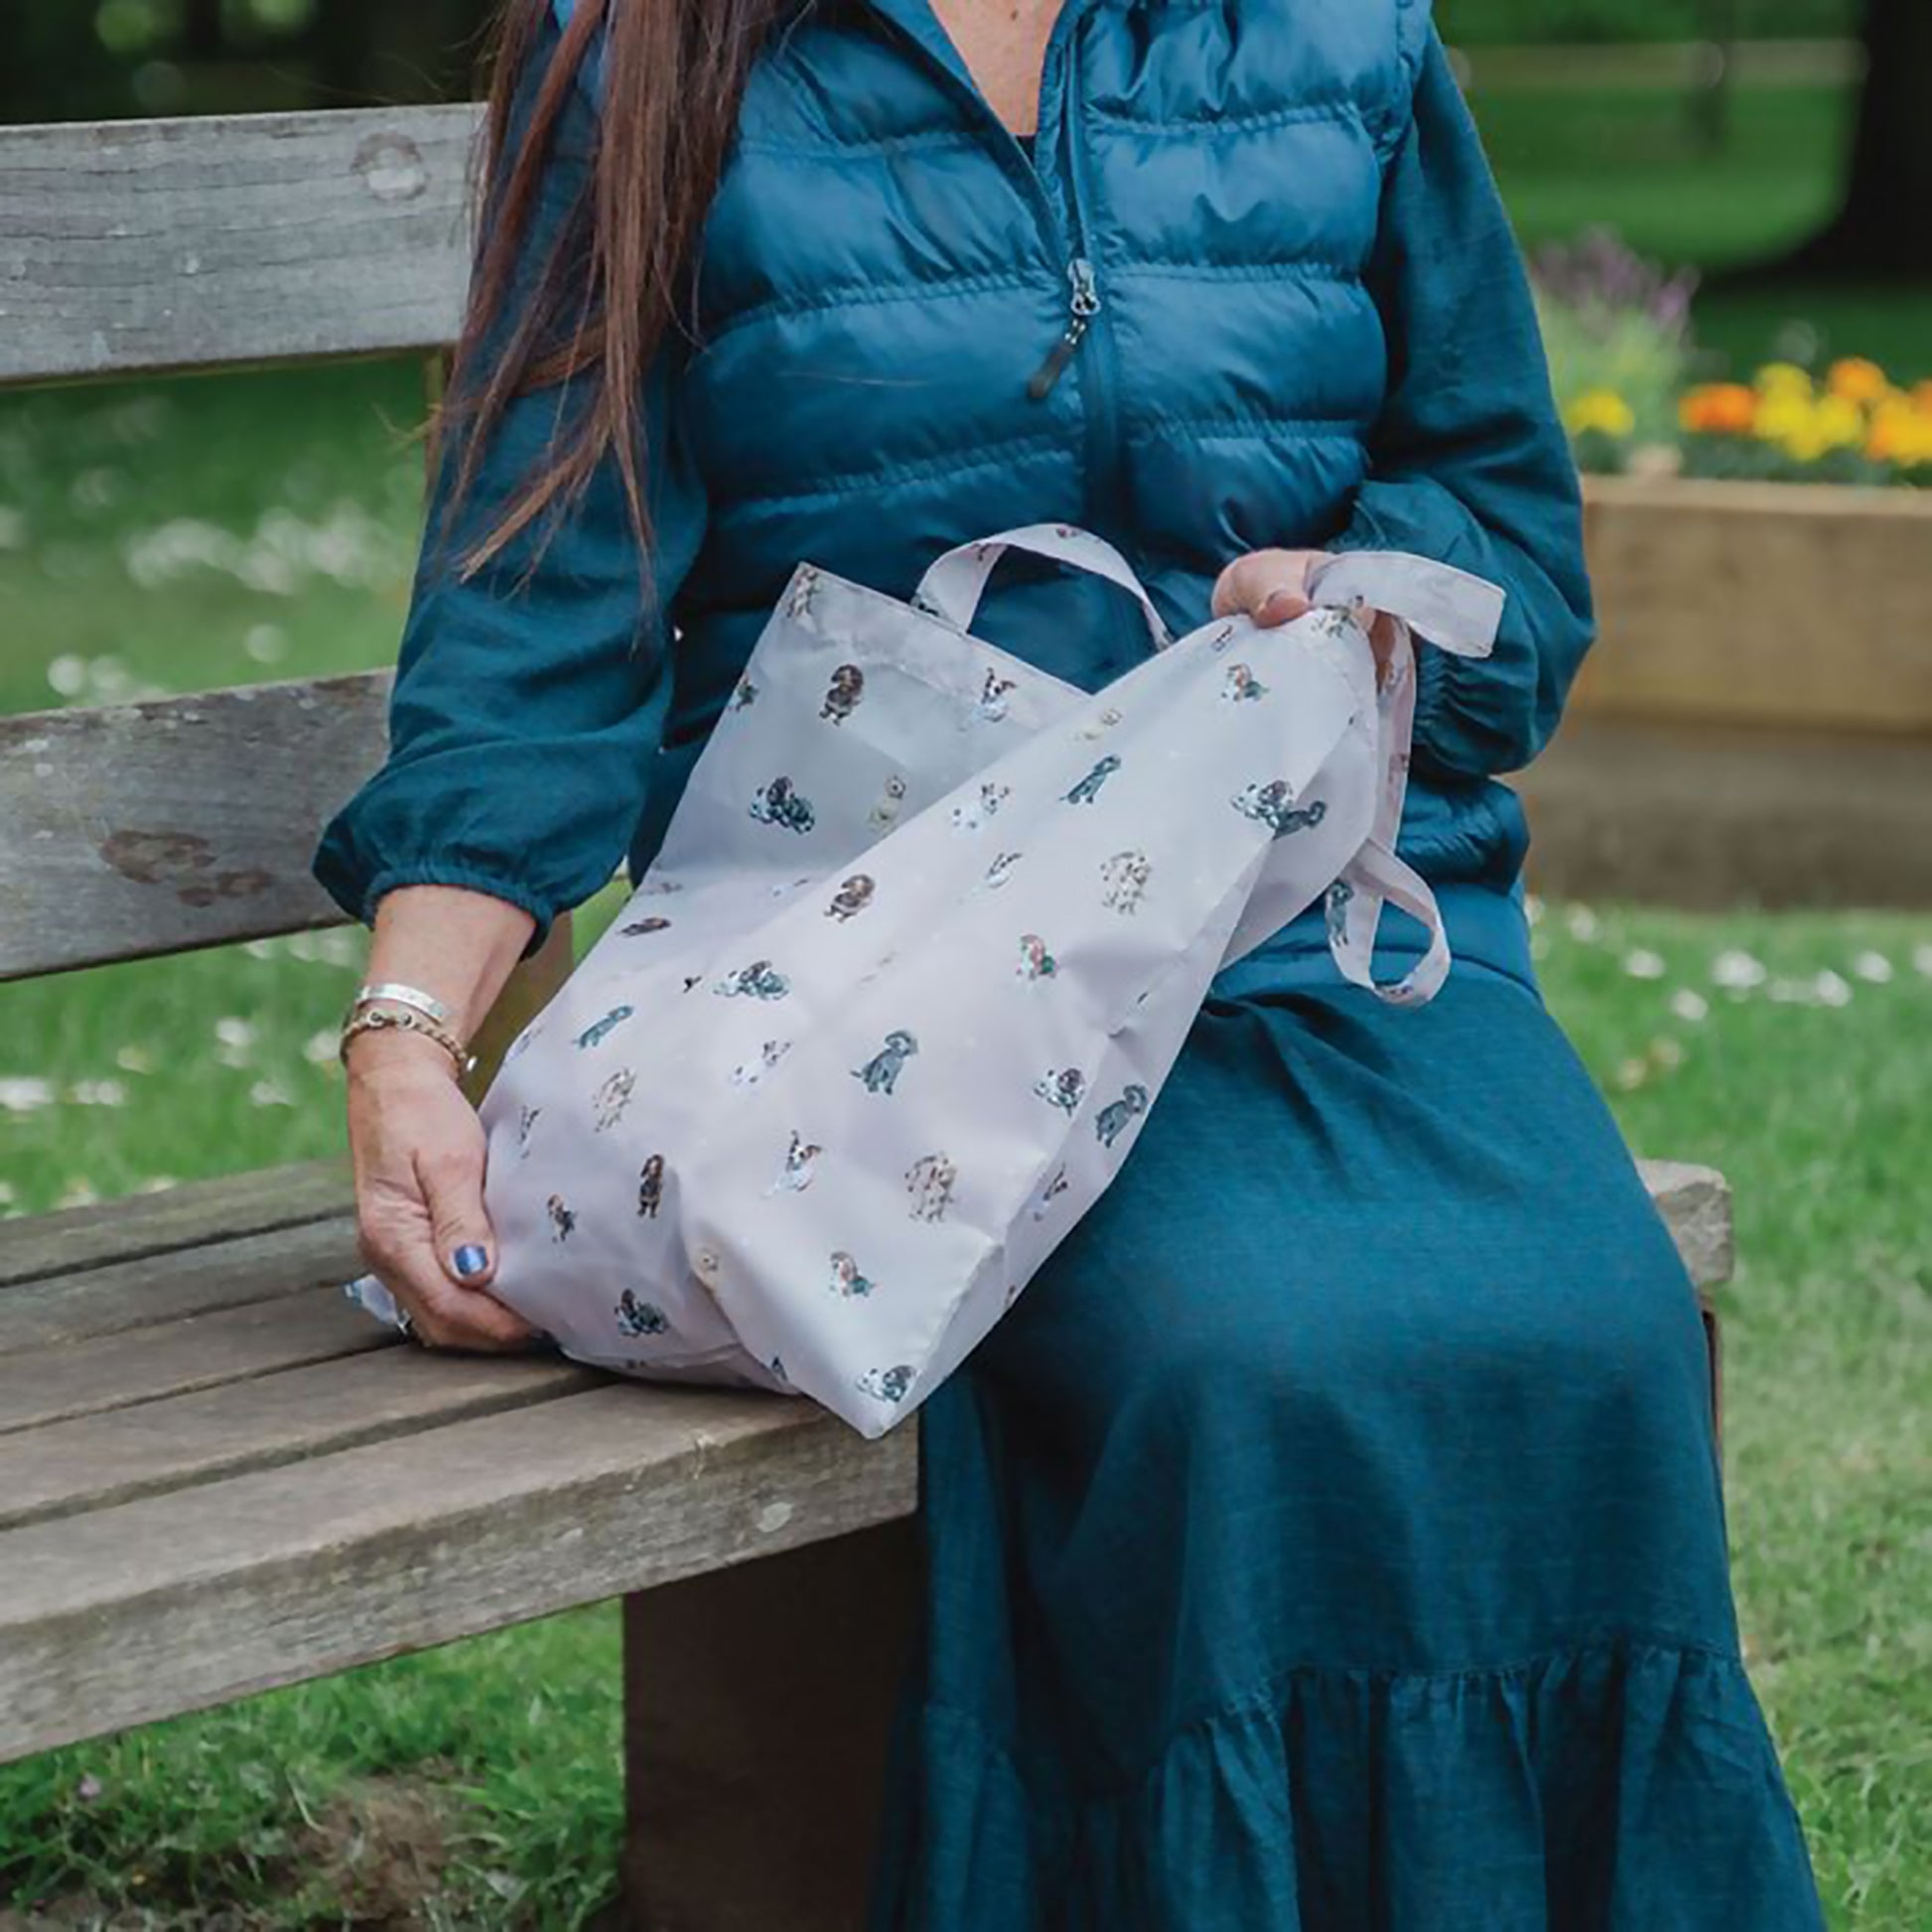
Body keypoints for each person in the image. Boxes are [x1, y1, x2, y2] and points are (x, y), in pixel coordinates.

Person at [313, 1, 1825, 1924]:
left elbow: (1502, 531)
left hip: (1308, 929)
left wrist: (1373, 611)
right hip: (881, 980)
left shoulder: (1339, 30)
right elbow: (539, 607)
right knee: (1239, 1367)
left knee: (1584, 1336)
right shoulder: (641, 52)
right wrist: (410, 1025)